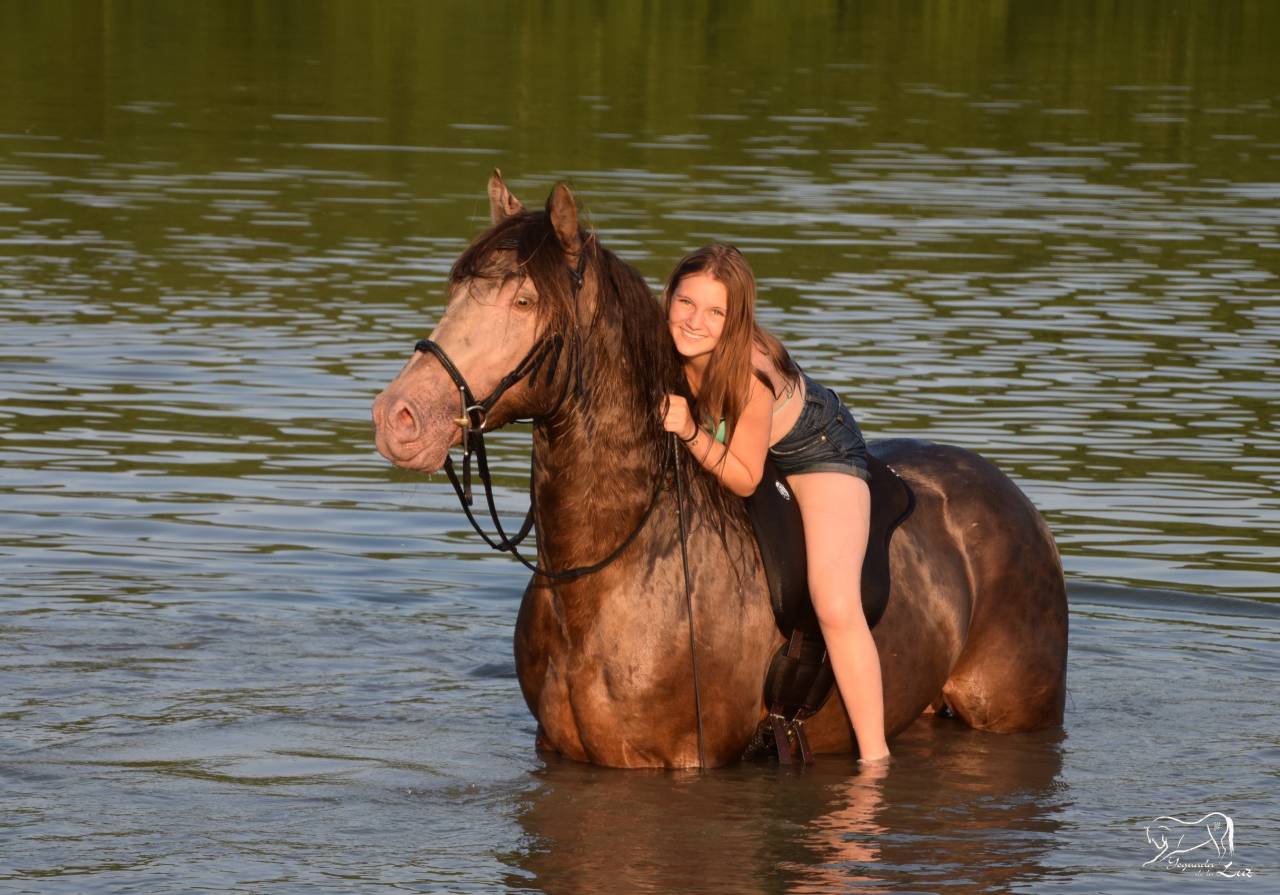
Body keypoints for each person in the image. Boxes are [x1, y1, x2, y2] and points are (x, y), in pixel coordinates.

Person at [661, 244, 890, 763]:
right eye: (686, 303)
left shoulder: (747, 373)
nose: (695, 322)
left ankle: (876, 762)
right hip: (733, 437)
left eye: (715, 312)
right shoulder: (659, 338)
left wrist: (690, 430)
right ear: (669, 297)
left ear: (736, 318)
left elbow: (743, 478)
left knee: (834, 603)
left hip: (814, 448)